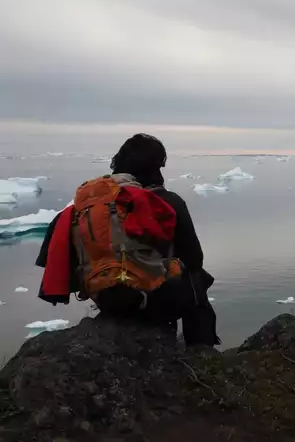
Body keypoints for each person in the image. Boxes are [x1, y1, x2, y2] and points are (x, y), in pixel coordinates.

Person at [36, 134, 219, 346]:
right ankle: (201, 351)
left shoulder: (83, 208)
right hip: (152, 301)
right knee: (198, 278)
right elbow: (194, 259)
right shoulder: (165, 201)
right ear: (154, 168)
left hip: (106, 300)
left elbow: (54, 263)